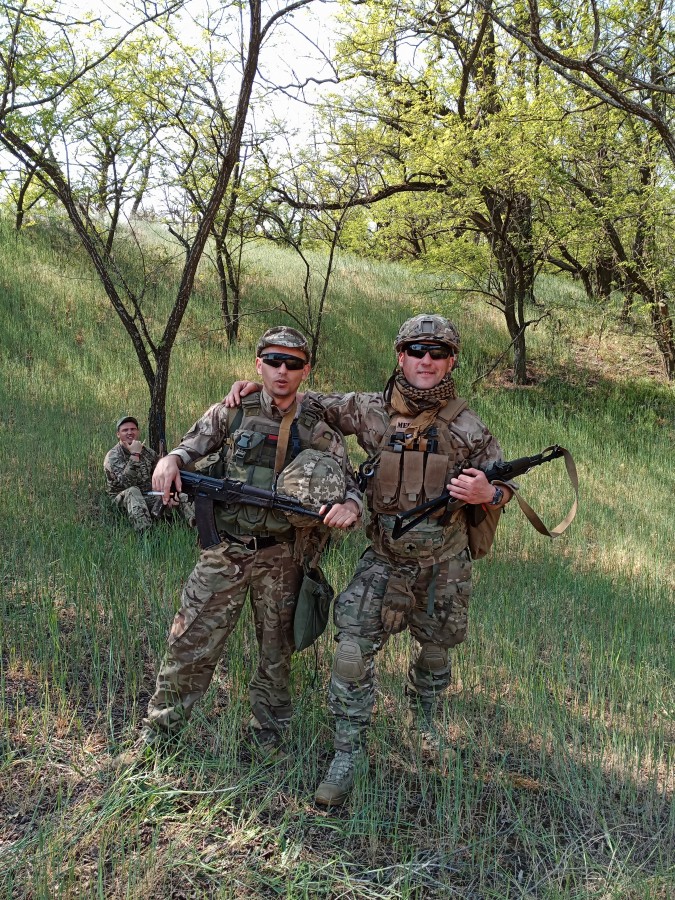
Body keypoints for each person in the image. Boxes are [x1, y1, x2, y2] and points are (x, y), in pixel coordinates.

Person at [225, 314, 513, 805]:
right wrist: (255, 387)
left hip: (444, 563)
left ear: (450, 362)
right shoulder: (369, 410)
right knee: (351, 652)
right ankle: (348, 752)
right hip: (383, 558)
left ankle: (427, 720)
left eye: (437, 353)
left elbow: (504, 481)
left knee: (437, 650)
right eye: (416, 351)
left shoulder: (468, 426)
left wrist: (491, 491)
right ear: (400, 355)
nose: (426, 361)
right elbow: (301, 397)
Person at [140, 326, 362, 753]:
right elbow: (190, 446)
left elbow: (347, 484)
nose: (282, 371)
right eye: (274, 361)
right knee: (190, 643)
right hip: (224, 551)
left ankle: (270, 737)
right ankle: (160, 735)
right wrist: (170, 460)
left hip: (282, 558)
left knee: (276, 654)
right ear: (258, 363)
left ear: (305, 370)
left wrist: (351, 508)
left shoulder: (317, 428)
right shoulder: (232, 411)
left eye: (293, 363)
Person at [104, 416, 194, 533]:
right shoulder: (113, 456)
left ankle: (197, 528)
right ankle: (146, 535)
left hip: (148, 494)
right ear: (118, 434)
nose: (130, 432)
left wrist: (168, 492)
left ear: (138, 432)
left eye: (133, 429)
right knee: (133, 491)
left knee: (181, 496)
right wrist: (135, 454)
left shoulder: (147, 452)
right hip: (123, 499)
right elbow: (126, 483)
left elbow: (162, 475)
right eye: (125, 430)